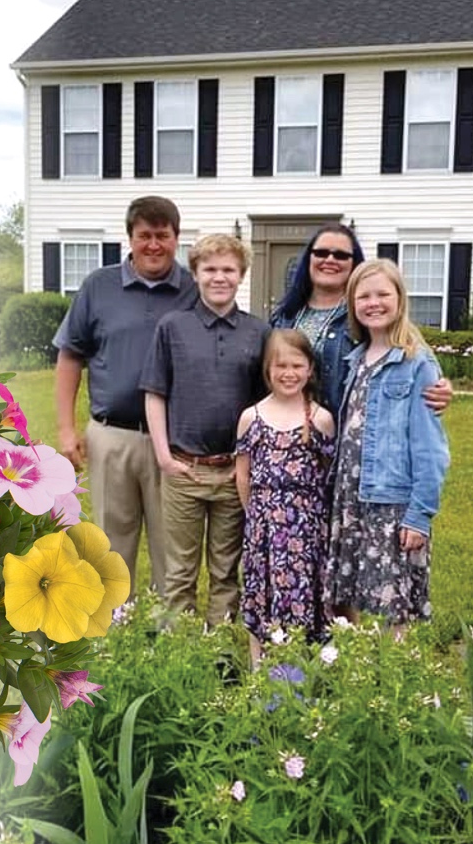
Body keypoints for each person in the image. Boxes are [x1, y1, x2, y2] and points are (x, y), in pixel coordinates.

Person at [54, 195, 197, 600]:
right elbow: (69, 357)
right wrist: (66, 429)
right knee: (112, 541)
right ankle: (115, 624)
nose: (154, 245)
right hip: (110, 435)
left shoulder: (193, 290)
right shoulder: (99, 287)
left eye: (163, 236)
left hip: (173, 441)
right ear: (130, 238)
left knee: (172, 541)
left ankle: (171, 628)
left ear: (176, 238)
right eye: (145, 236)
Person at [142, 234, 270, 625]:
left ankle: (218, 656)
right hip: (184, 468)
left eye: (228, 270)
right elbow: (155, 394)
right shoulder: (173, 327)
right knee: (179, 571)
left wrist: (246, 466)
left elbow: (264, 406)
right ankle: (180, 653)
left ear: (241, 275)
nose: (219, 277)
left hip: (232, 472)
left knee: (225, 570)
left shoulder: (257, 332)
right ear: (195, 274)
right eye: (210, 269)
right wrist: (164, 457)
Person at [323, 259, 450, 625]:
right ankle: (359, 673)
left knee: (394, 604)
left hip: (391, 502)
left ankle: (390, 676)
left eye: (382, 294)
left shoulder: (416, 364)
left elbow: (431, 449)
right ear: (353, 305)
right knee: (355, 592)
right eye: (363, 296)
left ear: (400, 299)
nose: (373, 303)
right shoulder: (357, 360)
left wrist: (419, 515)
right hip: (351, 498)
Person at [271, 222, 452, 416]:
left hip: (343, 435)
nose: (330, 259)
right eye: (321, 253)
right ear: (309, 258)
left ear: (354, 263)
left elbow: (413, 352)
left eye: (341, 255)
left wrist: (441, 386)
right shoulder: (284, 317)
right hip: (287, 432)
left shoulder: (368, 314)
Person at [235, 329, 335, 659]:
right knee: (261, 596)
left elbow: (326, 477)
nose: (289, 374)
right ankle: (259, 673)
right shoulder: (252, 417)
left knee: (305, 597)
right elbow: (243, 476)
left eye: (297, 365)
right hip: (263, 530)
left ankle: (305, 674)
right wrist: (258, 519)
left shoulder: (320, 419)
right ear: (268, 370)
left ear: (310, 369)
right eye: (280, 366)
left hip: (306, 532)